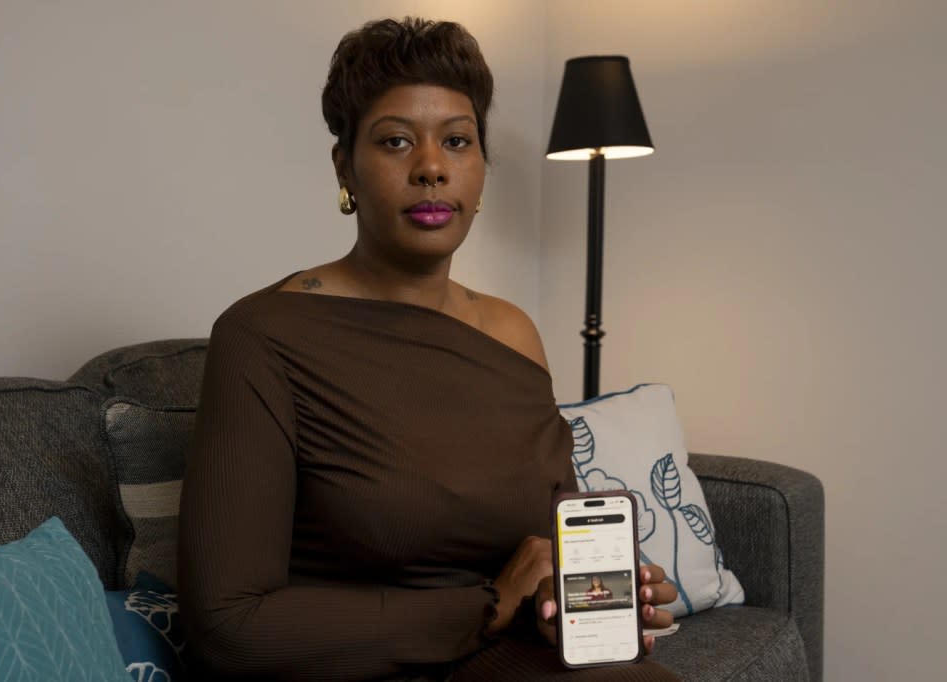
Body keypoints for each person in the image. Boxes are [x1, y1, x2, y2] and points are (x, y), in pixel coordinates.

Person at [177, 16, 680, 681]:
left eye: (458, 141)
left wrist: (585, 599)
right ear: (344, 166)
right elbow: (228, 626)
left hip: (516, 656)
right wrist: (491, 603)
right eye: (395, 142)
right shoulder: (264, 337)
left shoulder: (512, 333)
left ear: (480, 168)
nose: (432, 169)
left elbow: (545, 548)